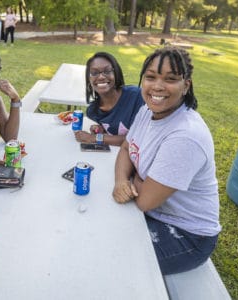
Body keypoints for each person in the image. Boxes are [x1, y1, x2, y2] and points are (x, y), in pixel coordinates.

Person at [112, 47, 221, 275]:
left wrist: (136, 180)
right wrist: (123, 180)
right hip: (155, 213)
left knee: (111, 258)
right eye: (151, 77)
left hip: (187, 235)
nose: (158, 87)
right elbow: (125, 149)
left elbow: (144, 201)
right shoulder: (147, 110)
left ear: (186, 86)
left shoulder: (185, 136)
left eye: (170, 79)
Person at [74, 52, 144, 146]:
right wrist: (102, 130)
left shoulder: (137, 96)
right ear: (89, 79)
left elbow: (136, 139)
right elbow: (116, 131)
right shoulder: (93, 111)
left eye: (107, 71)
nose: (101, 77)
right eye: (94, 73)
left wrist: (94, 138)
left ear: (116, 73)